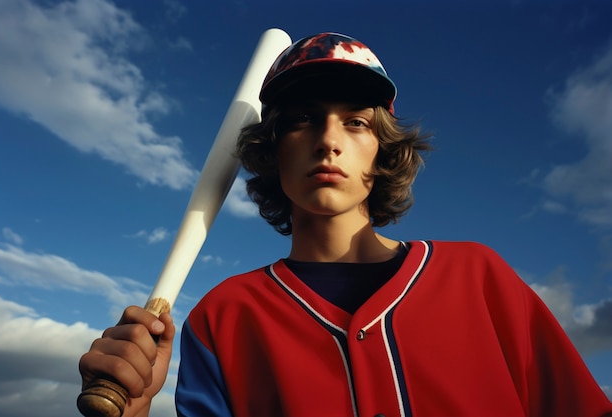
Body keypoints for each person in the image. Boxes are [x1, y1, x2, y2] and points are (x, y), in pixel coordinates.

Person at [79, 32, 612, 417]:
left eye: (355, 122)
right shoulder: (223, 316)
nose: (327, 140)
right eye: (302, 120)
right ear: (271, 151)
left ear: (382, 154)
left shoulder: (479, 276)